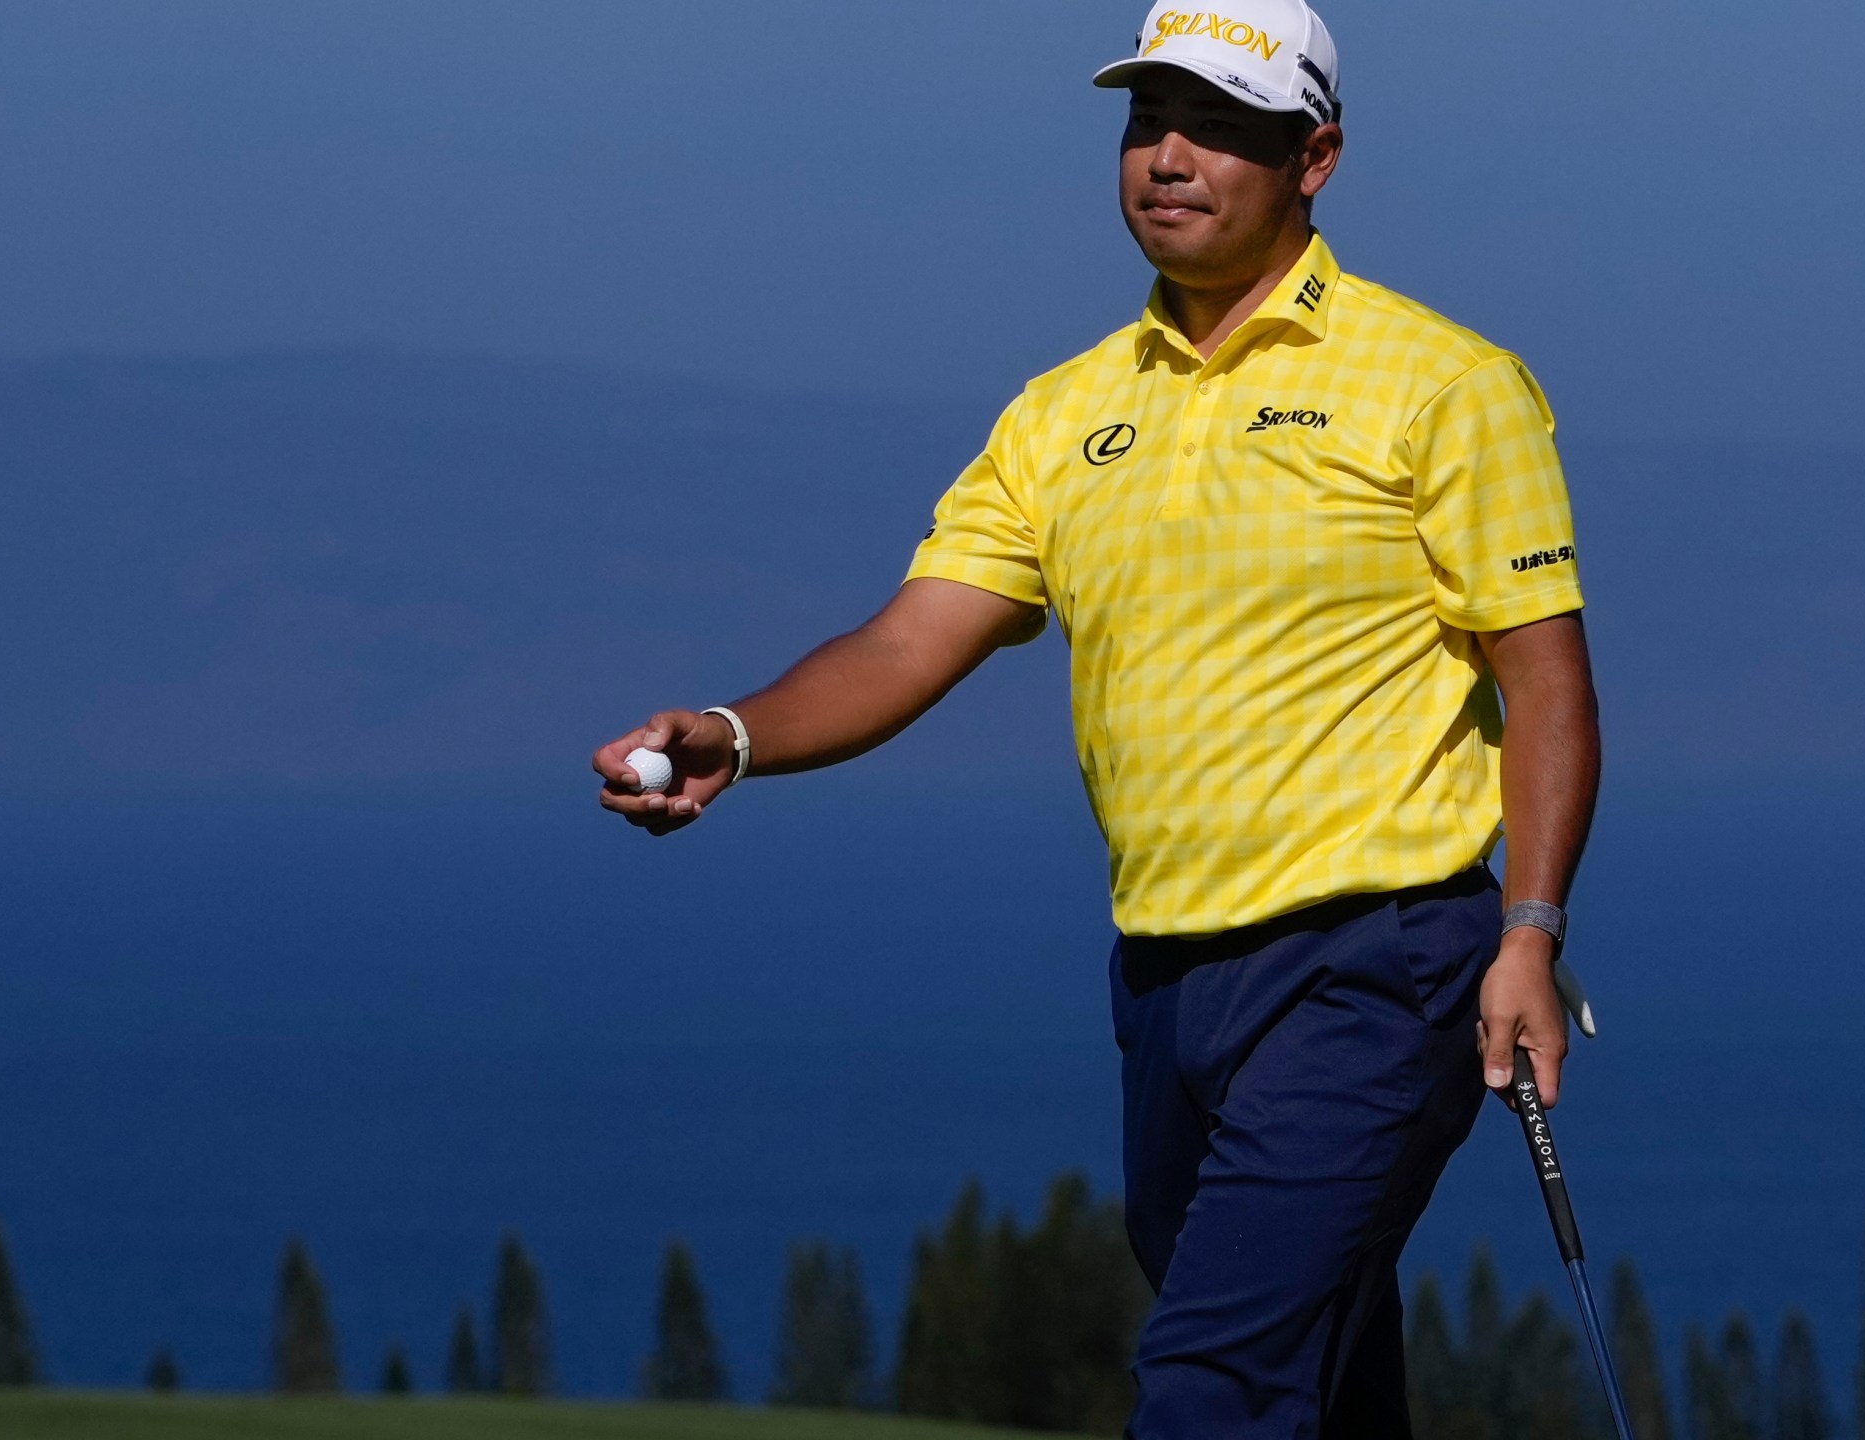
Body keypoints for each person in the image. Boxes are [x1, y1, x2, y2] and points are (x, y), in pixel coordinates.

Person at [593, 2, 1600, 1433]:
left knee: (1213, 1382)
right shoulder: (1060, 415)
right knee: (1314, 1368)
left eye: (1223, 130)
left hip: (1380, 969)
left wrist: (1531, 931)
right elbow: (909, 638)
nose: (1170, 157)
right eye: (1147, 123)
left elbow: (1545, 679)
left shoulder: (1443, 383)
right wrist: (735, 733)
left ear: (1315, 158)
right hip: (1168, 988)